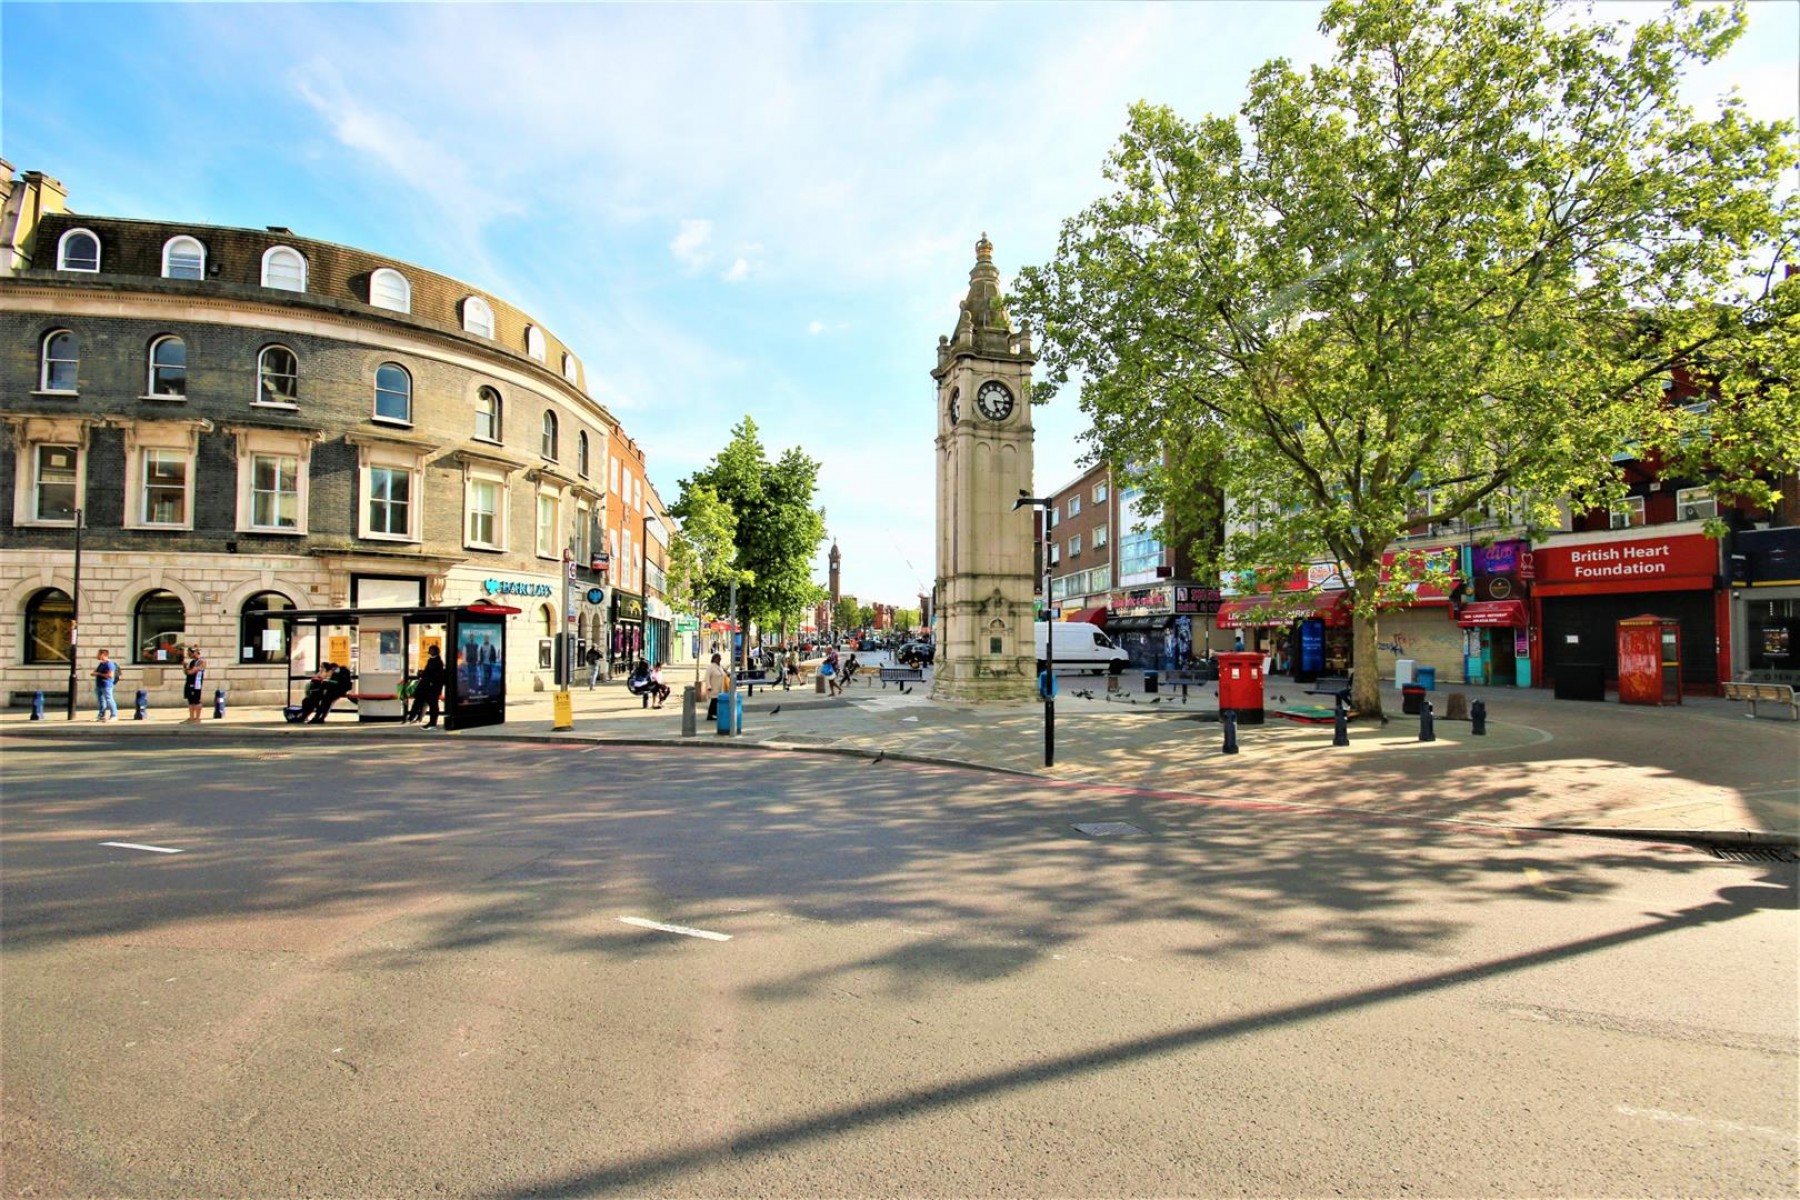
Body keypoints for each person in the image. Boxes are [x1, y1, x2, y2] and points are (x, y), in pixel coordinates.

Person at [92, 648, 119, 722]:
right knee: (101, 700)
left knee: (109, 699)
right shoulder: (101, 663)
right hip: (99, 684)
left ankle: (114, 715)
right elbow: (95, 671)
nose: (97, 655)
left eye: (98, 654)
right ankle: (101, 715)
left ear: (103, 655)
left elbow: (110, 675)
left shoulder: (109, 664)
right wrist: (95, 673)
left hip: (107, 685)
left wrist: (98, 674)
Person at [182, 644, 207, 723]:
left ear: (195, 652)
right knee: (190, 700)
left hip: (196, 684)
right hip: (189, 682)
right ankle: (191, 717)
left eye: (190, 653)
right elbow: (186, 672)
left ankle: (197, 718)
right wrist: (185, 667)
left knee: (196, 700)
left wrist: (188, 669)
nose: (189, 655)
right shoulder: (192, 662)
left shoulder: (201, 661)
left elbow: (192, 672)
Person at [704, 652, 730, 720]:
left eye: (720, 659)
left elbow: (724, 673)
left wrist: (727, 673)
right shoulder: (711, 667)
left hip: (720, 687)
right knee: (714, 701)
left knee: (717, 701)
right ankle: (711, 714)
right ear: (714, 659)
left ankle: (714, 714)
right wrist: (708, 686)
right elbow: (707, 677)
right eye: (718, 659)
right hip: (713, 687)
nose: (719, 660)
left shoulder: (720, 666)